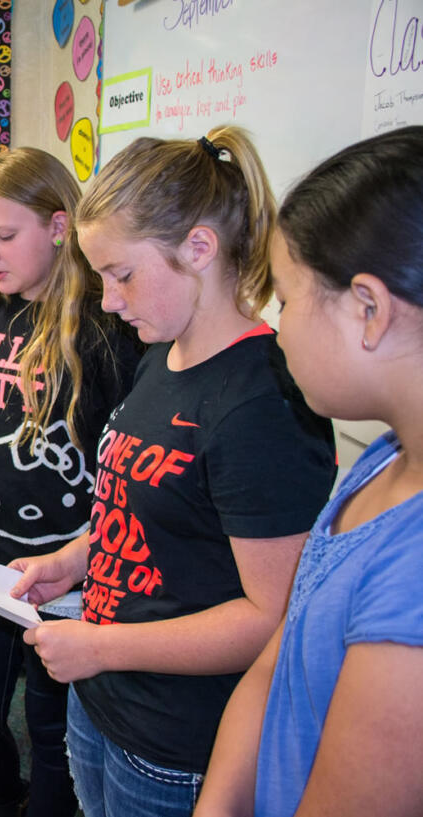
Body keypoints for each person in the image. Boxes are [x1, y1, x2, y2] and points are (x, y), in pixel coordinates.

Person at [9, 126, 336, 817]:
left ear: (198, 247)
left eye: (121, 274)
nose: (107, 300)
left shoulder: (262, 399)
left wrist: (99, 646)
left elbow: (270, 616)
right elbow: (142, 511)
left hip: (178, 744)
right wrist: (73, 559)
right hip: (105, 701)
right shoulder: (163, 350)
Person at [194, 126, 423, 817]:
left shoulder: (410, 577)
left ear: (369, 309)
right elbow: (278, 658)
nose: (280, 327)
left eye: (288, 300)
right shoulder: (382, 461)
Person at [0, 148, 142, 817]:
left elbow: (127, 458)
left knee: (52, 732)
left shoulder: (107, 327)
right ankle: (1, 802)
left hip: (71, 571)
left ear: (60, 226)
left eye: (4, 236)